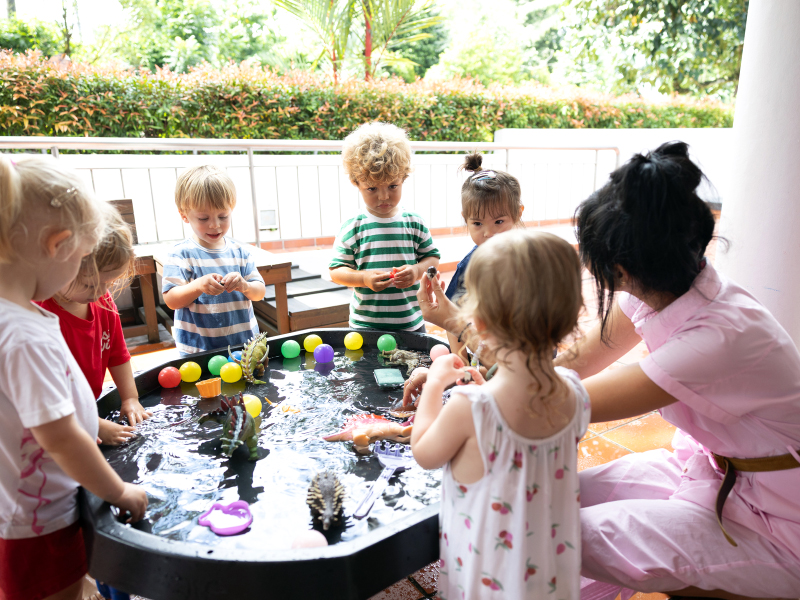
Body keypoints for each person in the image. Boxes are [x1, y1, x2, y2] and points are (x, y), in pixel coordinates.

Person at [556, 142, 800, 599]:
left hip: (784, 519)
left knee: (560, 530)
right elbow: (573, 364)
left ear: (622, 268)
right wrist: (485, 376)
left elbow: (565, 404)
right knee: (555, 498)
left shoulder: (719, 337)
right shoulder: (665, 286)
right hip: (714, 473)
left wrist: (459, 373)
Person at [412, 229, 590, 600]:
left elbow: (424, 452)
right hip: (548, 579)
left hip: (487, 582)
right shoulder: (575, 393)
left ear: (479, 324)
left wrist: (434, 385)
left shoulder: (469, 407)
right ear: (573, 315)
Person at [0, 155, 147, 600]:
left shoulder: (13, 318)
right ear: (59, 245)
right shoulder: (25, 336)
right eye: (83, 257)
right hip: (39, 520)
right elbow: (61, 439)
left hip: (25, 507)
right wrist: (120, 492)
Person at [37, 203, 152, 446]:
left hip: (89, 405)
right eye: (90, 285)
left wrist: (130, 398)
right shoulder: (39, 313)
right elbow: (42, 396)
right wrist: (95, 424)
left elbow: (117, 355)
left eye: (109, 283)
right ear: (59, 266)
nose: (101, 292)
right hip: (53, 420)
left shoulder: (102, 301)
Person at [329, 122, 440, 332]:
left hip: (411, 325)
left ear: (404, 178)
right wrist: (363, 278)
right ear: (356, 183)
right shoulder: (353, 226)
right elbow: (336, 271)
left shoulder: (414, 222)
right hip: (365, 327)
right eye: (372, 188)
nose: (383, 196)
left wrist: (417, 270)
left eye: (392, 186)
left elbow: (432, 259)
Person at [161, 165, 266, 355]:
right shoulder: (181, 254)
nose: (215, 224)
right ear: (184, 215)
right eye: (203, 218)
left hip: (244, 348)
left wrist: (245, 286)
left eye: (223, 216)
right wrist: (198, 286)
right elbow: (171, 300)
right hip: (198, 351)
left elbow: (259, 292)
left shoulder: (240, 252)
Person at [441, 152, 523, 358]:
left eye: (499, 222)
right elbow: (452, 318)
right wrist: (462, 363)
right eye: (477, 223)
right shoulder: (468, 267)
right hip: (490, 359)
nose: (488, 233)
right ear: (466, 219)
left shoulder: (530, 259)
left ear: (518, 213)